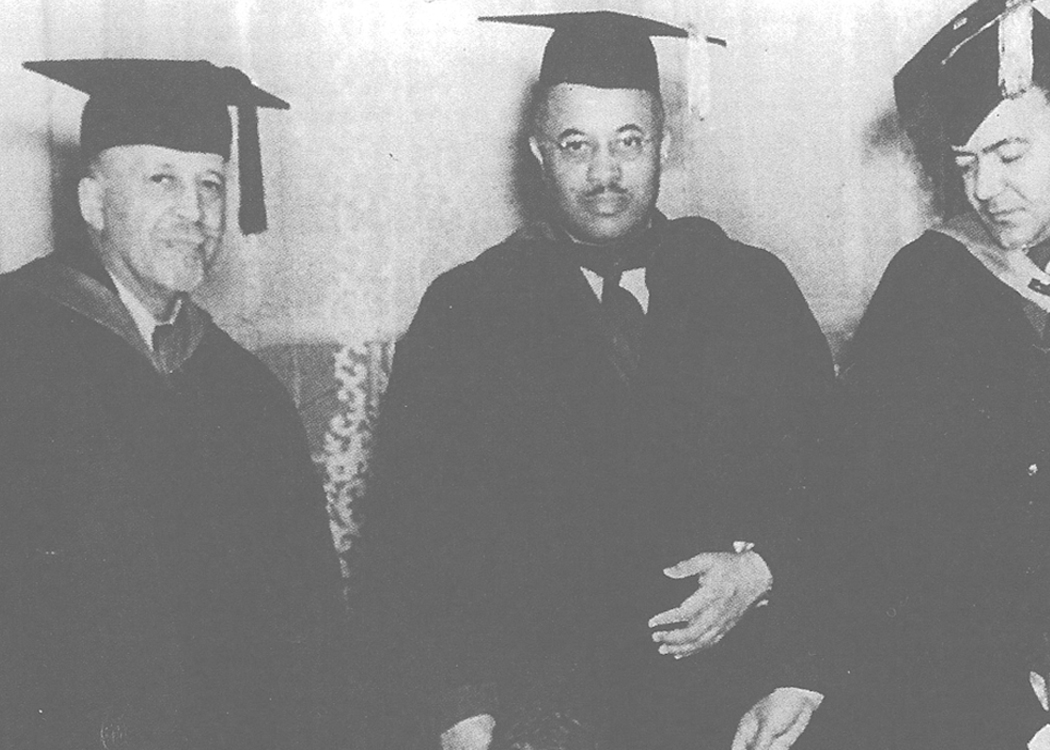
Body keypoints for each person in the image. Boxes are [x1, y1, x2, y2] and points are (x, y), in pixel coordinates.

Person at [350, 12, 836, 750]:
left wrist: (768, 581)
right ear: (539, 153)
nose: (604, 173)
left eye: (628, 142)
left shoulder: (749, 288)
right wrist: (463, 710)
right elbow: (413, 539)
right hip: (543, 706)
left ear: (665, 145)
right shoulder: (467, 311)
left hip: (742, 696)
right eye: (576, 145)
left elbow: (841, 484)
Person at [0, 59, 346, 749]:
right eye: (162, 180)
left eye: (210, 185)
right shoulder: (16, 348)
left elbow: (309, 631)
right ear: (93, 203)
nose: (194, 213)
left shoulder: (246, 394)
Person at [838, 0, 1050, 746]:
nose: (985, 189)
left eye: (1010, 155)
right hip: (979, 685)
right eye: (966, 164)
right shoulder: (930, 287)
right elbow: (880, 524)